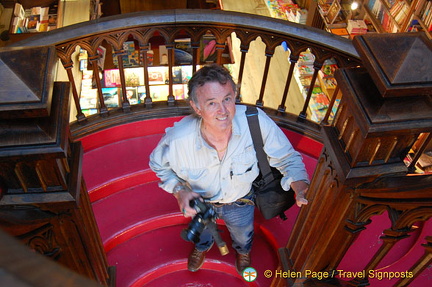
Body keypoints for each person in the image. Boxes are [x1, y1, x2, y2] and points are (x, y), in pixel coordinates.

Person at [149, 64, 309, 275]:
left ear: (235, 95)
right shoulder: (178, 139)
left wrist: (300, 187)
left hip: (240, 201)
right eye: (211, 103)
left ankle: (243, 252)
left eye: (227, 99)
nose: (223, 111)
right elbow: (158, 165)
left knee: (243, 234)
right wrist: (180, 190)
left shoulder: (256, 122)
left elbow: (288, 159)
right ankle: (201, 247)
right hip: (202, 203)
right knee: (202, 234)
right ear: (197, 108)